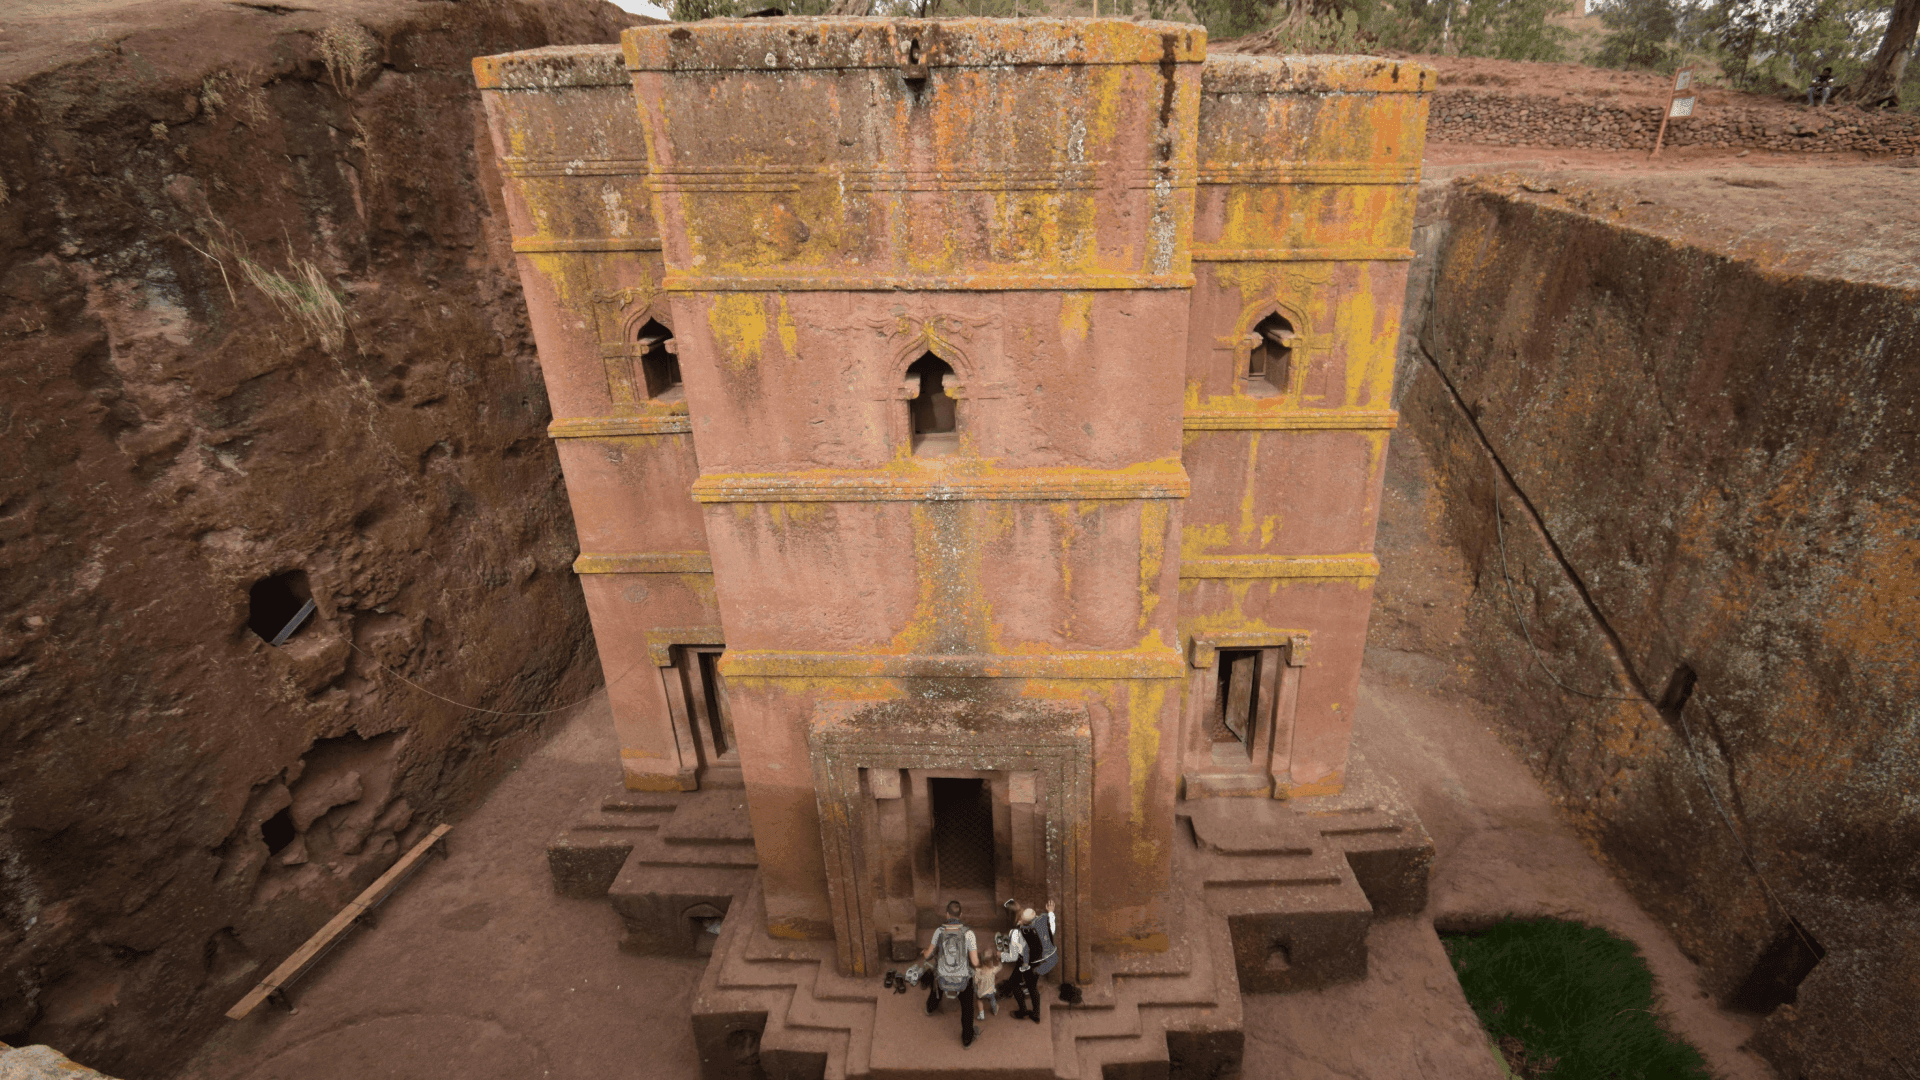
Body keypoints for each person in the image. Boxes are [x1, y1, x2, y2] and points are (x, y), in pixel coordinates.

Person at [922, 900, 980, 1047]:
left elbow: (927, 955)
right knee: (968, 1005)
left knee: (937, 974)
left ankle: (931, 1007)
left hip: (943, 978)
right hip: (961, 980)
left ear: (947, 914)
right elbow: (975, 962)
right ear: (961, 914)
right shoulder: (969, 934)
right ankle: (967, 1037)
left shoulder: (939, 931)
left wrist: (925, 952)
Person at [1010, 900, 1057, 1024]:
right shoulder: (1042, 925)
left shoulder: (1022, 932)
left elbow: (1017, 952)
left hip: (1026, 963)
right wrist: (1051, 912)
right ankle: (1036, 1014)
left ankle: (1023, 1011)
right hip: (1039, 962)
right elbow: (1052, 928)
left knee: (1014, 983)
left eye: (1022, 921)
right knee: (1032, 987)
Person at [972, 941, 1003, 1025]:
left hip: (981, 992)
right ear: (992, 961)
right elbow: (1000, 967)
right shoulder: (993, 970)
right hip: (990, 991)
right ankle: (995, 1010)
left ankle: (981, 1014)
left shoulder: (978, 971)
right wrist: (998, 960)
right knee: (992, 1000)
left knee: (979, 1000)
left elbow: (975, 981)